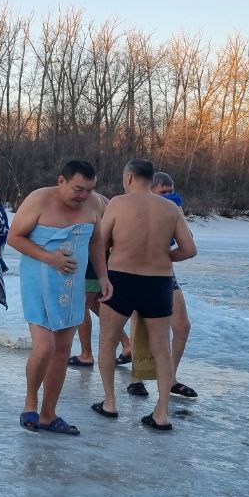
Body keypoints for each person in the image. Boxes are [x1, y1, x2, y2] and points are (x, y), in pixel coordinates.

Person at [91, 158, 196, 431]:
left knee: (108, 341)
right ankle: (161, 413)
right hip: (158, 281)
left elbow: (100, 243)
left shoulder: (117, 203)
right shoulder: (170, 208)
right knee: (161, 348)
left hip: (121, 279)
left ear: (128, 178)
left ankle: (110, 402)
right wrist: (163, 255)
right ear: (151, 180)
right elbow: (189, 249)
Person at [8, 161, 109, 435]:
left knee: (63, 350)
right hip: (39, 278)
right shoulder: (39, 199)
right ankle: (30, 402)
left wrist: (103, 277)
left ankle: (48, 414)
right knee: (45, 347)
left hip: (72, 283)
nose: (83, 195)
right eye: (78, 188)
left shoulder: (95, 204)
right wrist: (49, 258)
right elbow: (14, 237)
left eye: (89, 190)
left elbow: (97, 241)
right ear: (61, 180)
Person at [126, 172, 196, 399]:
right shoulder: (137, 207)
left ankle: (170, 378)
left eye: (170, 192)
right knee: (140, 324)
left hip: (165, 272)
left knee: (182, 325)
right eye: (163, 192)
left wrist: (168, 257)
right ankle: (136, 379)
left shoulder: (174, 210)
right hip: (137, 271)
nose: (168, 196)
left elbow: (188, 243)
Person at [68, 191, 132, 368]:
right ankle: (127, 344)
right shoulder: (106, 200)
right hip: (102, 259)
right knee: (96, 304)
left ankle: (86, 354)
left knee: (80, 306)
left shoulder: (88, 200)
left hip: (91, 259)